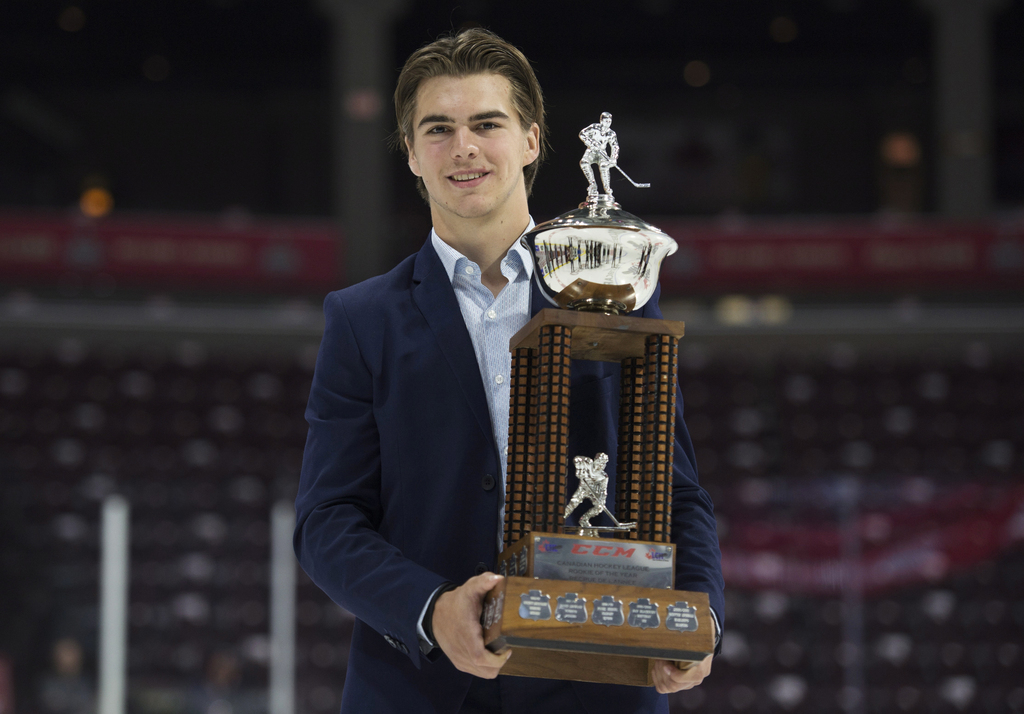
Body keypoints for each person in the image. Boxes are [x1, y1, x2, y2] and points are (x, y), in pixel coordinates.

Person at [294, 28, 723, 714]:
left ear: (530, 140)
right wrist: (432, 610)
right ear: (410, 152)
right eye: (438, 128)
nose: (463, 147)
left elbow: (676, 491)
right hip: (419, 688)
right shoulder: (361, 319)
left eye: (486, 124)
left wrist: (702, 620)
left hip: (599, 688)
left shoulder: (615, 290)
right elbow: (325, 522)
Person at [579, 112, 618, 198]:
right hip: (591, 151)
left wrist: (613, 158)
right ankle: (593, 185)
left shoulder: (611, 134)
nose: (608, 123)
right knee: (584, 163)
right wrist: (591, 143)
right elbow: (582, 134)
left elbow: (615, 146)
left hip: (602, 153)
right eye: (606, 121)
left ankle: (607, 189)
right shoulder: (594, 127)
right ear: (601, 121)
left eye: (609, 121)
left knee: (604, 166)